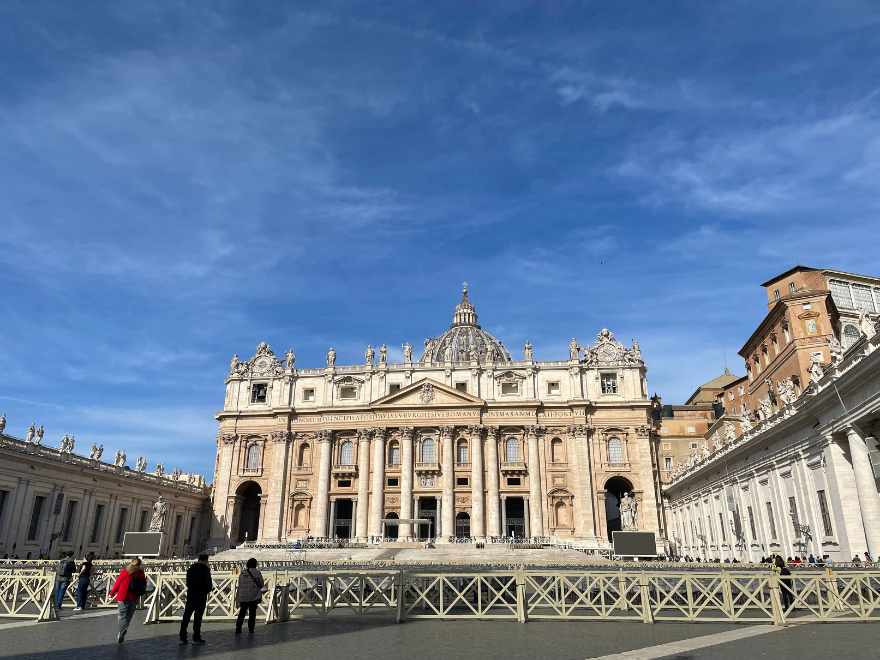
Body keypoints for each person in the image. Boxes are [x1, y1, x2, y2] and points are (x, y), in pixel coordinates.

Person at [109, 558, 146, 643]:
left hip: (123, 595)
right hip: (134, 595)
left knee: (122, 615)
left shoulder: (124, 571)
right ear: (140, 564)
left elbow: (117, 583)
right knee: (129, 615)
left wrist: (111, 594)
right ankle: (122, 631)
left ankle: (122, 630)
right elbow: (144, 583)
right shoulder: (141, 572)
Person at [179, 553, 213, 645]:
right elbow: (209, 583)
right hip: (201, 596)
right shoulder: (205, 569)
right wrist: (206, 590)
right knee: (198, 617)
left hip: (191, 595)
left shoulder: (191, 569)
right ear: (206, 560)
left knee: (186, 616)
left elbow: (187, 582)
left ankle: (183, 636)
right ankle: (196, 637)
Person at [235, 558, 265, 634]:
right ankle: (251, 629)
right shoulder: (257, 572)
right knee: (252, 613)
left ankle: (238, 628)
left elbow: (240, 583)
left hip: (243, 595)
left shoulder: (242, 573)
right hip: (253, 596)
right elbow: (261, 584)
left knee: (242, 612)